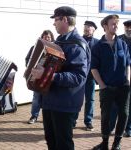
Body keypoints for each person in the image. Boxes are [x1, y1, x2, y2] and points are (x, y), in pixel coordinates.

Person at [30, 6, 90, 150]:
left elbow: (78, 77)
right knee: (51, 142)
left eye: (56, 20)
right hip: (50, 101)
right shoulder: (58, 43)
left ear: (64, 19)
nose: (53, 23)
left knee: (63, 145)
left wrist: (47, 75)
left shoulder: (77, 45)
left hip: (65, 104)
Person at [91, 15, 130, 150]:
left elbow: (127, 64)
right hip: (107, 87)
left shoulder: (122, 44)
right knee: (106, 117)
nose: (116, 26)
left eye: (116, 24)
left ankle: (116, 144)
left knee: (124, 115)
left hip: (123, 87)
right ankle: (105, 143)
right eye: (113, 24)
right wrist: (102, 85)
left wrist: (128, 80)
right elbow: (94, 68)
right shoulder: (98, 47)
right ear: (105, 27)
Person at [74, 21, 99, 131]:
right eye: (85, 27)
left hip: (90, 77)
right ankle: (72, 120)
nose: (87, 29)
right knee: (75, 99)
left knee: (90, 100)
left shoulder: (98, 43)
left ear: (93, 30)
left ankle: (88, 121)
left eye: (89, 27)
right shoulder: (78, 40)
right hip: (78, 76)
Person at [25, 30, 55, 124]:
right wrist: (30, 68)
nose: (47, 38)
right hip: (37, 76)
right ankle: (34, 116)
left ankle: (48, 118)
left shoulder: (55, 49)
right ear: (42, 37)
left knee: (48, 98)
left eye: (49, 37)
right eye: (45, 37)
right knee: (36, 97)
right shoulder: (34, 48)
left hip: (48, 77)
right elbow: (28, 59)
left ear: (52, 38)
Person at [110, 20, 131, 138]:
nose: (129, 29)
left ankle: (128, 128)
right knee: (114, 104)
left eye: (130, 27)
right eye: (127, 27)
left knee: (129, 105)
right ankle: (112, 127)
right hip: (118, 77)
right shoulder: (119, 40)